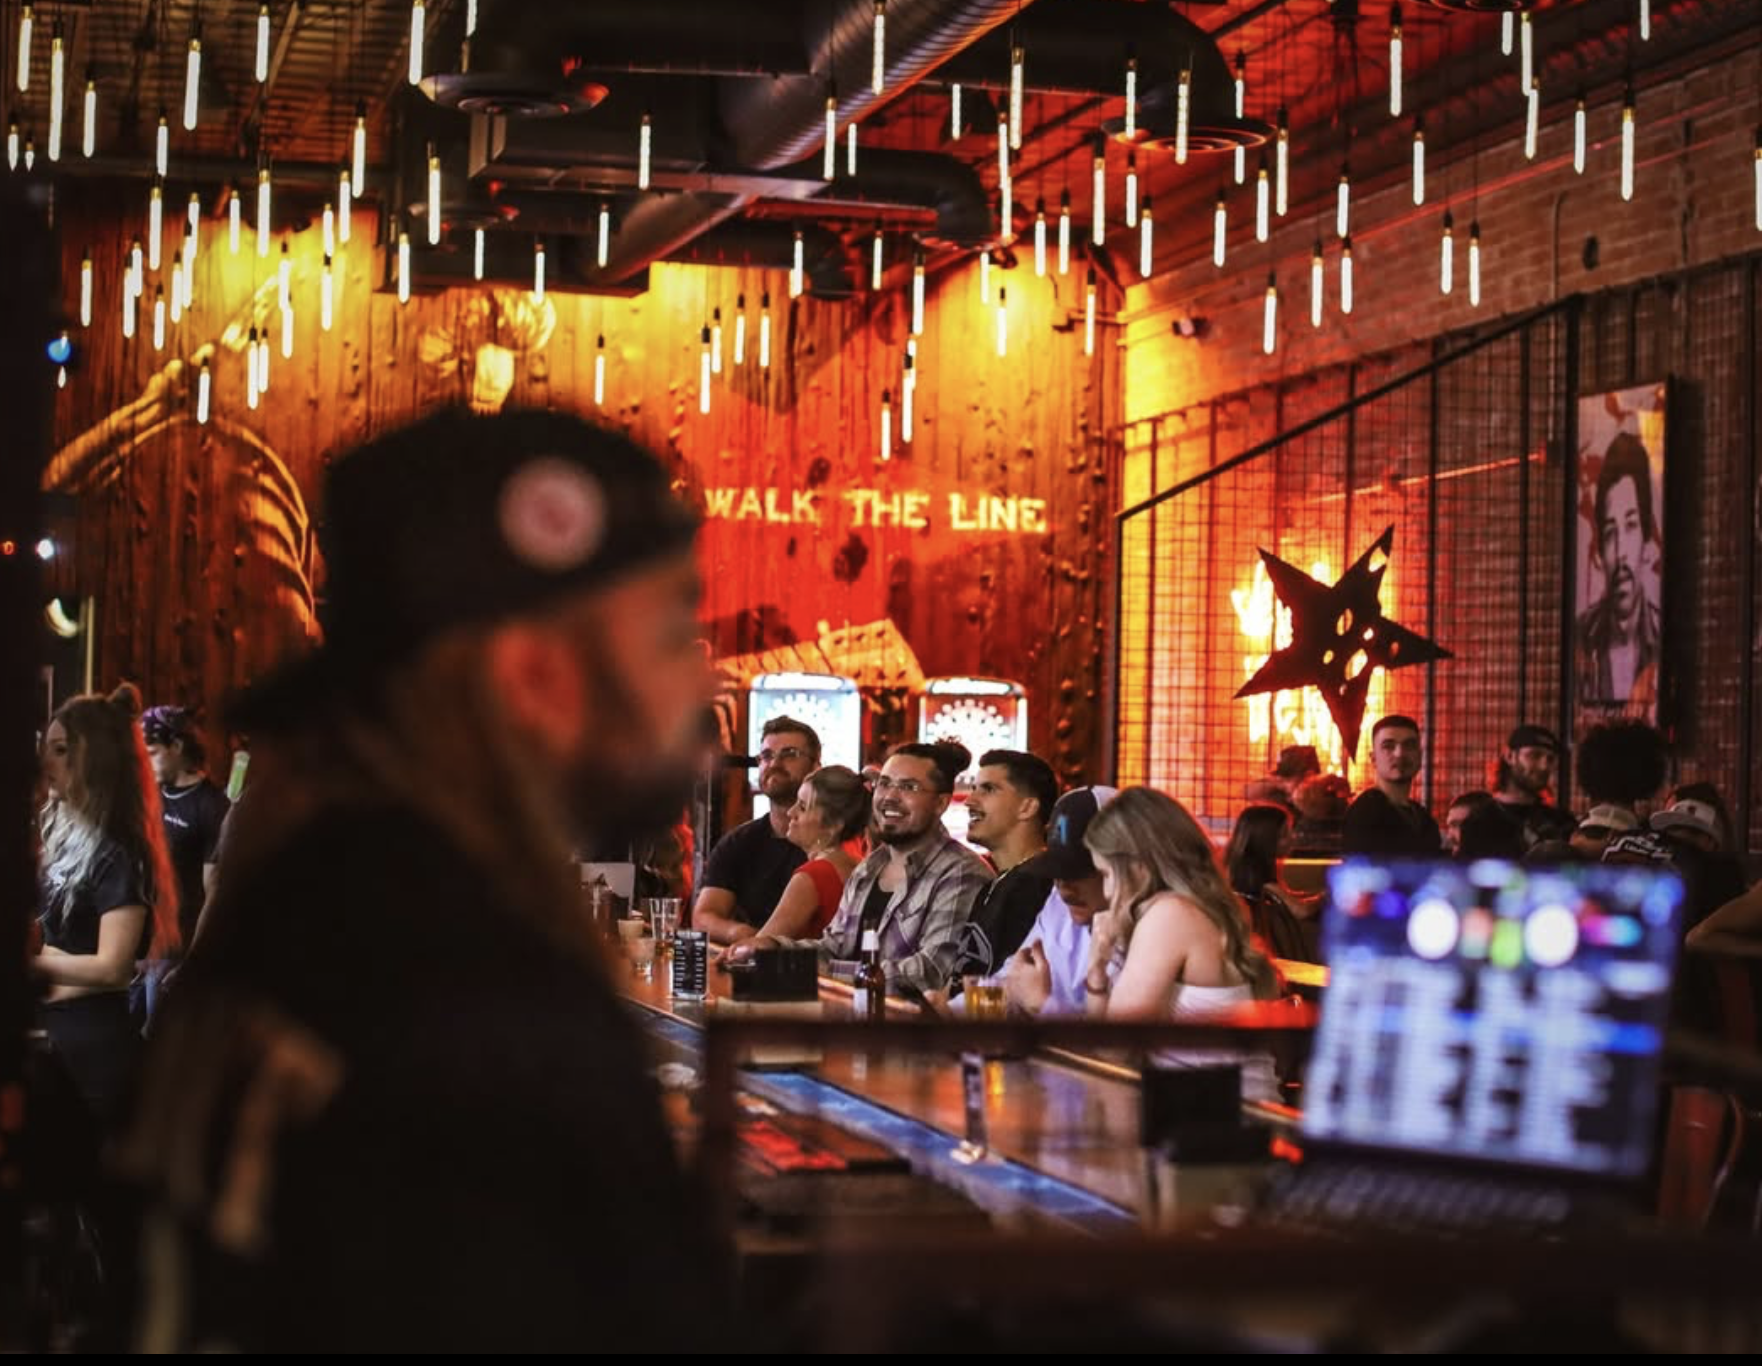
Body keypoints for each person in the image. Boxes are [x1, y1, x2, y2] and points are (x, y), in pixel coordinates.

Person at [115, 407, 723, 1351]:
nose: (699, 689)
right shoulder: (471, 995)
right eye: (671, 635)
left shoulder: (316, 908)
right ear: (535, 678)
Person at [736, 741, 992, 998]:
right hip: (851, 1016)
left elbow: (929, 973)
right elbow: (834, 948)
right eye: (885, 783)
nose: (890, 796)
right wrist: (773, 947)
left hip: (909, 1023)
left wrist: (813, 969)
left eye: (909, 787)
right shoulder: (869, 867)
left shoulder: (961, 873)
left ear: (941, 803)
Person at [36, 684, 180, 1135]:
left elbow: (113, 967)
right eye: (48, 748)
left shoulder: (118, 851)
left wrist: (31, 963)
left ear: (94, 758)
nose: (47, 762)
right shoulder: (62, 833)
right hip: (57, 1035)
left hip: (94, 1050)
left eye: (61, 750)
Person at [1081, 787, 1282, 1103]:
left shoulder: (1170, 916)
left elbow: (1114, 1052)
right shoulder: (1202, 907)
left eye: (1106, 874)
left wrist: (1096, 968)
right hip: (1227, 1111)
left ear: (1138, 865)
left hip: (1223, 1120)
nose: (1106, 891)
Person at [691, 716, 819, 945]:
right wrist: (743, 935)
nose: (774, 763)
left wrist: (762, 942)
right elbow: (703, 917)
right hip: (753, 958)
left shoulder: (833, 841)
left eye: (789, 754)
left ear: (815, 767)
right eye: (766, 756)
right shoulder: (738, 843)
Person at [999, 787, 1119, 1017]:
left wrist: (1041, 1004)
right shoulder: (1059, 905)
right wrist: (948, 1011)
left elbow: (1117, 1038)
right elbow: (1012, 978)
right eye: (1057, 872)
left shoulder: (1151, 927)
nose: (1064, 886)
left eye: (1076, 873)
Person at [949, 749, 1057, 981]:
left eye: (988, 789)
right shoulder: (997, 884)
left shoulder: (1040, 884)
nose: (969, 801)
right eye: (974, 788)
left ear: (1027, 808)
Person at [1576, 433, 1662, 707]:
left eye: (1631, 526)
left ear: (1647, 542)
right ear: (1600, 551)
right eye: (1611, 532)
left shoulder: (1663, 638)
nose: (1621, 551)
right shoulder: (1581, 636)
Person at [140, 705, 230, 966]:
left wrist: (193, 961)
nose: (146, 764)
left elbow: (213, 893)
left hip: (175, 952)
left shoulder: (212, 806)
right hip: (139, 947)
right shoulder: (151, 796)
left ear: (177, 746)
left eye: (152, 753)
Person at [749, 765, 869, 940]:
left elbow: (760, 947)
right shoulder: (860, 864)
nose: (790, 812)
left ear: (833, 825)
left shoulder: (812, 876)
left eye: (803, 807)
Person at [1223, 803, 1321, 963]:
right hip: (1252, 955)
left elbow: (1283, 896)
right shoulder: (1253, 871)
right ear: (1266, 839)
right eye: (1284, 835)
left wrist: (1314, 896)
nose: (1293, 838)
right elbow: (1300, 910)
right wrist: (1326, 897)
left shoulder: (1239, 864)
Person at [1341, 715, 1441, 857]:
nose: (1400, 754)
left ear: (1420, 756)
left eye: (1409, 745)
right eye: (1388, 746)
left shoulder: (1424, 819)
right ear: (1373, 759)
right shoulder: (1364, 814)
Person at [1489, 724, 1577, 850]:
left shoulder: (1562, 822)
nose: (1544, 766)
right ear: (1509, 756)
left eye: (1550, 759)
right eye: (1535, 755)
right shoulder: (1481, 821)